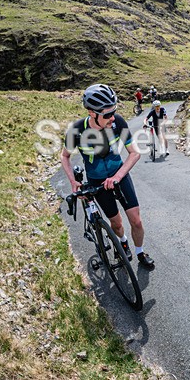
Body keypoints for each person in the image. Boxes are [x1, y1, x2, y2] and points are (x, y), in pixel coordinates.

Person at [60, 84, 155, 269]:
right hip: (97, 181)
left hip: (119, 175)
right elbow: (65, 156)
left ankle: (140, 252)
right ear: (91, 112)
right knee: (116, 223)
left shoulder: (118, 122)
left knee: (136, 221)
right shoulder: (76, 130)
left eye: (114, 111)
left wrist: (117, 176)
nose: (112, 117)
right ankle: (123, 242)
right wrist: (73, 181)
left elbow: (134, 153)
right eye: (107, 114)